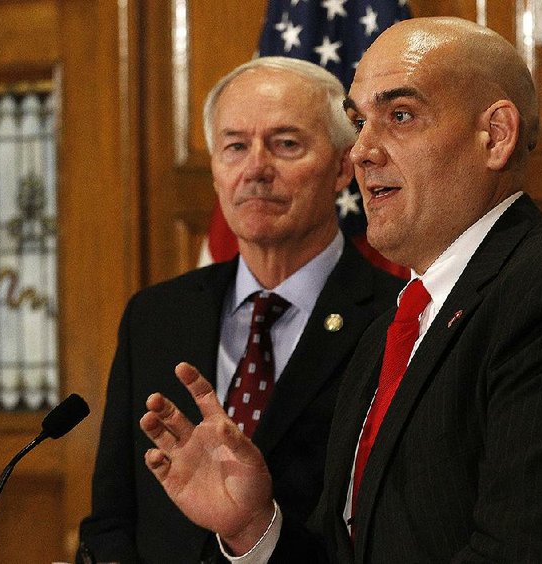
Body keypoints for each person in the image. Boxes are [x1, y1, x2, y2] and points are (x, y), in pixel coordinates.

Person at [139, 18, 542, 562]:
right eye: (359, 120)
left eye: (399, 116)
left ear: (495, 136)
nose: (363, 150)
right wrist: (254, 528)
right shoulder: (397, 326)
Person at [77, 56, 403, 563]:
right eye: (234, 146)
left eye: (286, 144)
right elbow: (112, 520)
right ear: (214, 170)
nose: (255, 168)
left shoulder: (398, 319)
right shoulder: (156, 315)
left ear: (344, 166)